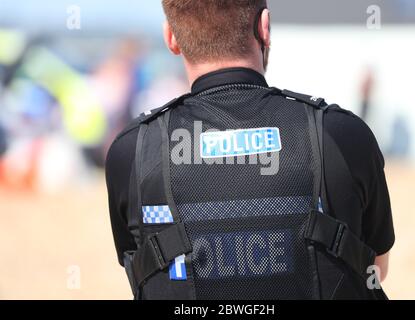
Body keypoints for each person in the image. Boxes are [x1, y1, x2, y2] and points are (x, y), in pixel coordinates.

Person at [106, 0, 394, 300]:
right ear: (264, 27)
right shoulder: (341, 134)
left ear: (171, 38)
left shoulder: (133, 152)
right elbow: (376, 267)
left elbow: (143, 274)